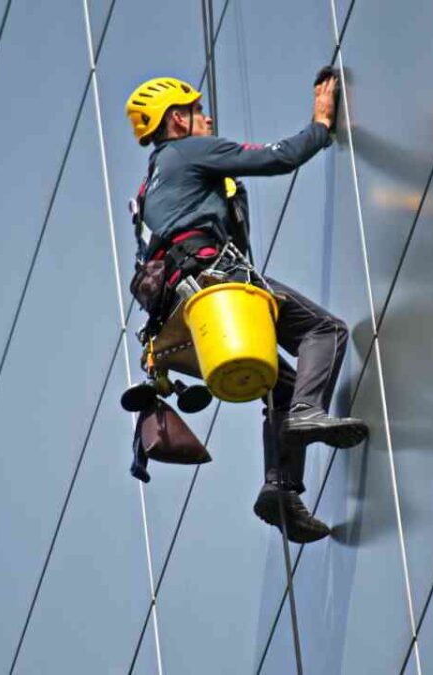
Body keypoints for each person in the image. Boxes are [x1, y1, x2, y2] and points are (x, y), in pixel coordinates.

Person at [125, 73, 367, 543]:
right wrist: (321, 125)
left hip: (181, 316)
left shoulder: (149, 188)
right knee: (325, 331)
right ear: (178, 120)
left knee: (284, 384)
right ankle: (307, 412)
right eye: (197, 111)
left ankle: (281, 490)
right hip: (215, 285)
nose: (207, 118)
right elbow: (279, 157)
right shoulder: (188, 152)